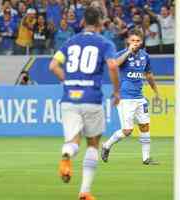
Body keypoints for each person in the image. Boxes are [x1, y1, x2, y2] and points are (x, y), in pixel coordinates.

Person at [49, 6, 119, 200]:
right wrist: (117, 91)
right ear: (100, 23)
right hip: (92, 98)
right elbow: (112, 65)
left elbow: (53, 65)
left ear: (82, 22)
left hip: (69, 98)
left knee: (73, 141)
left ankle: (66, 156)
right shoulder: (104, 43)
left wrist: (68, 81)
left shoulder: (70, 42)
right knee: (93, 143)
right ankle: (85, 192)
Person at [101, 28, 159, 165]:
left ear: (142, 42)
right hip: (125, 98)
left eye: (138, 41)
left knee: (145, 126)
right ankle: (106, 145)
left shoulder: (145, 56)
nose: (135, 43)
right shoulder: (122, 54)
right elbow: (115, 65)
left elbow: (149, 75)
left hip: (139, 97)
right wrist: (128, 52)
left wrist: (156, 91)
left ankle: (146, 158)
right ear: (128, 41)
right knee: (127, 131)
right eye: (133, 40)